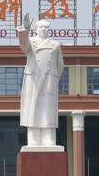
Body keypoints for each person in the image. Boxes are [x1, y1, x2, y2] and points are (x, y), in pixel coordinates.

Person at [17, 14, 64, 147]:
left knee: (48, 110)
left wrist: (54, 78)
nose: (43, 30)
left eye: (46, 28)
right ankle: (33, 138)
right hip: (34, 79)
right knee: (32, 109)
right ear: (36, 29)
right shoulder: (31, 42)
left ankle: (49, 138)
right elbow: (23, 44)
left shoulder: (55, 45)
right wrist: (25, 28)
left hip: (49, 81)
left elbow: (60, 65)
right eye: (41, 27)